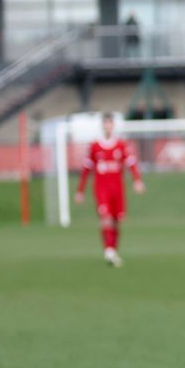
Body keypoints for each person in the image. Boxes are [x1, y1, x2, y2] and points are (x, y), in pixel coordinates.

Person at [74, 112, 144, 265]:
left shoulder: (121, 145)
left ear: (113, 126)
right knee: (106, 219)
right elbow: (86, 169)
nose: (107, 127)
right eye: (105, 124)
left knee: (117, 220)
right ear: (102, 126)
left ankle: (113, 250)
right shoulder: (94, 147)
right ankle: (108, 250)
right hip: (101, 189)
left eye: (110, 123)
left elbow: (131, 163)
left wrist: (137, 181)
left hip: (117, 189)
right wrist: (80, 191)